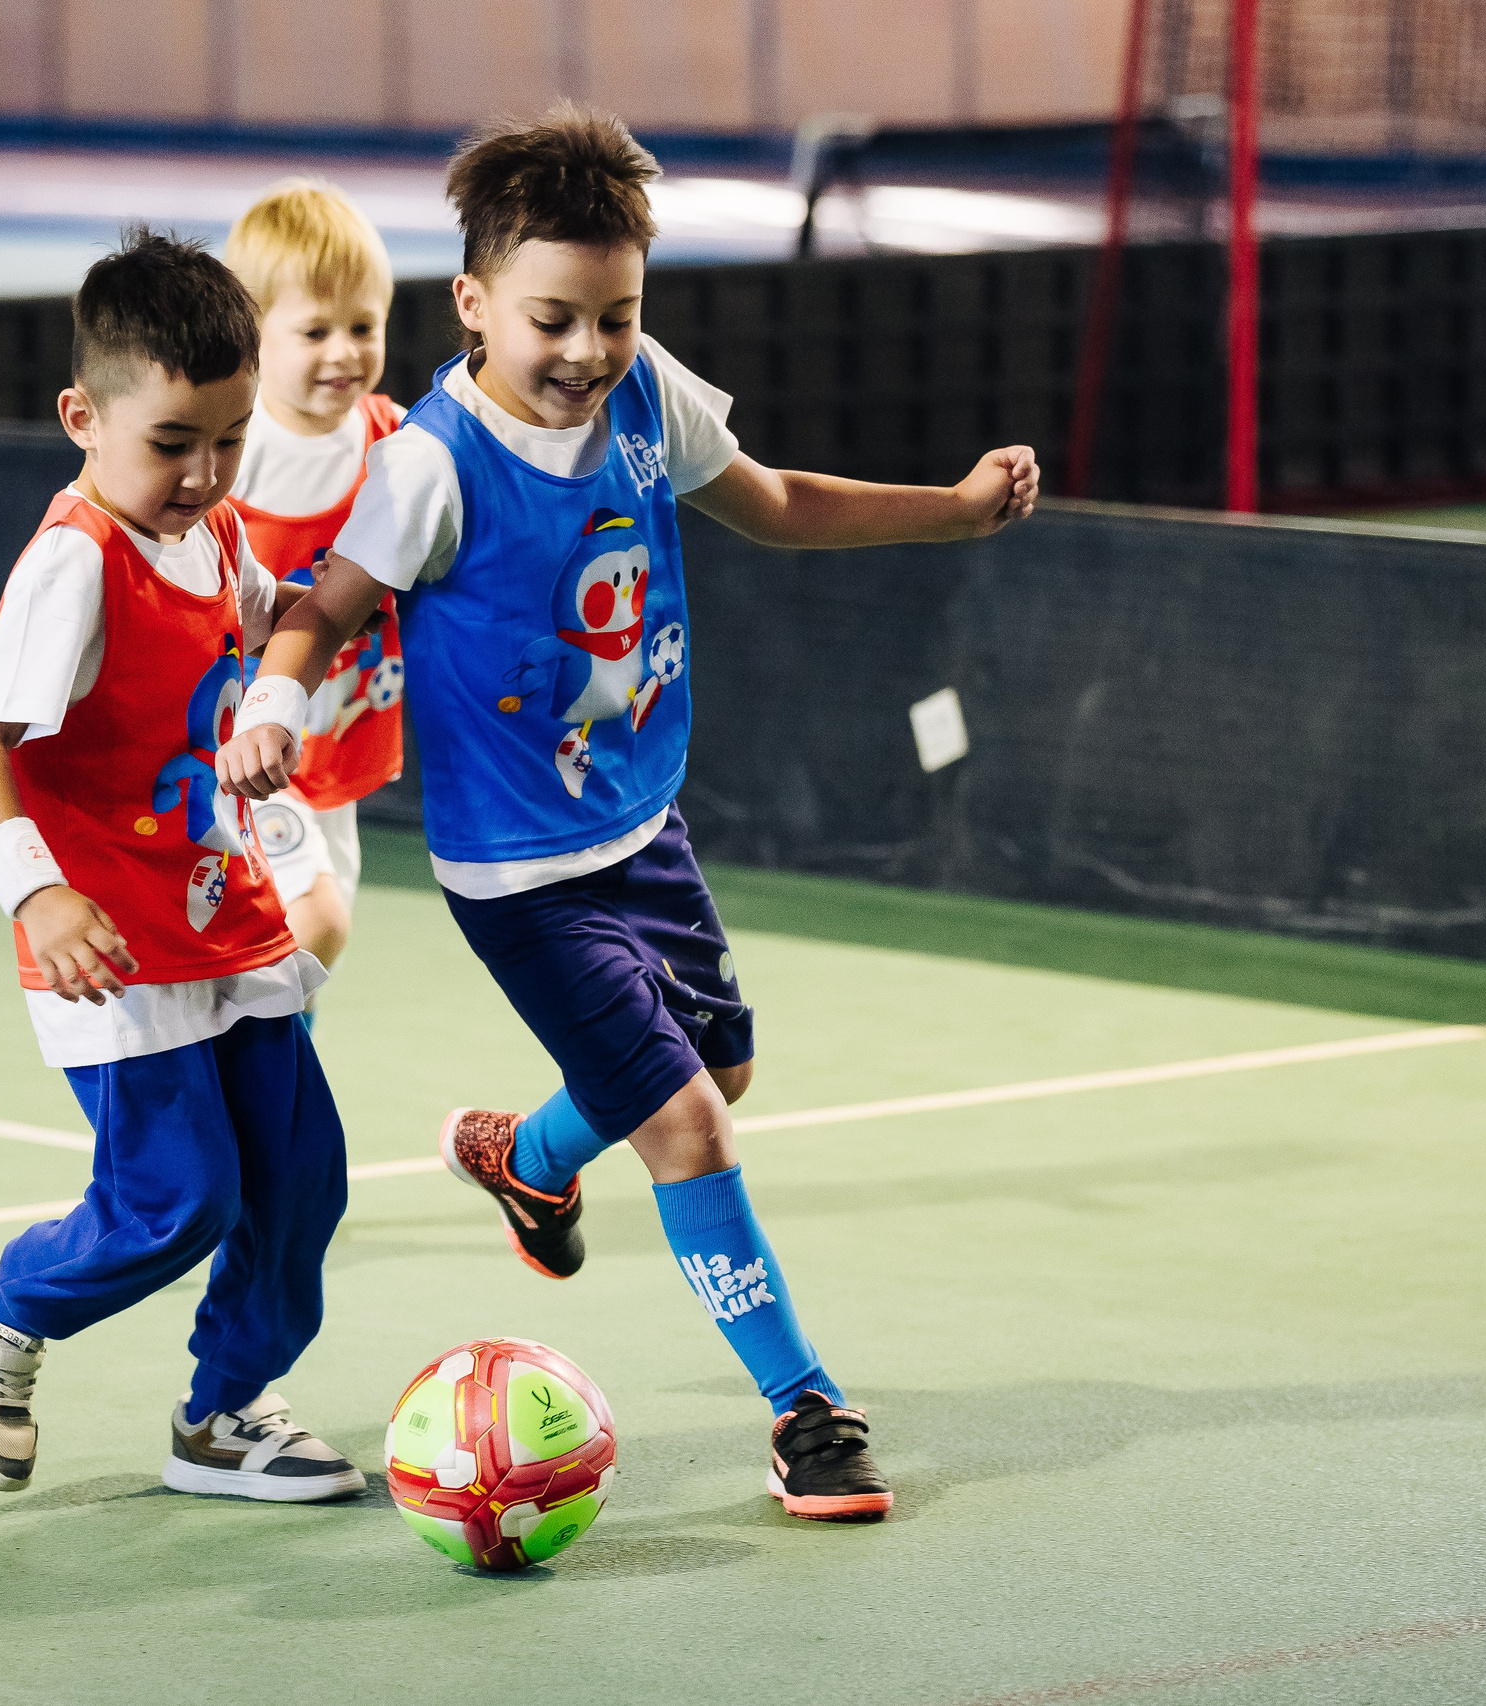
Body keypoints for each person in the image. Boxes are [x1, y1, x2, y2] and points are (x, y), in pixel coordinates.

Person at [217, 107, 1038, 1522]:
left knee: (721, 1073)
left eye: (615, 314)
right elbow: (323, 606)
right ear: (475, 304)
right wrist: (275, 707)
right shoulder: (433, 462)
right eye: (553, 319)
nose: (587, 350)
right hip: (520, 879)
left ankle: (526, 1161)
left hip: (645, 830)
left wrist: (955, 510)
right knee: (690, 1128)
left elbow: (775, 502)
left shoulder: (646, 390)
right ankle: (805, 1410)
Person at [0, 229, 363, 1506]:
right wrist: (36, 890)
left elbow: (274, 616)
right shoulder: (75, 562)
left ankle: (222, 1415)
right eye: (173, 441)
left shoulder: (215, 533)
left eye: (228, 440)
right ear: (82, 416)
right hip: (107, 941)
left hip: (224, 915)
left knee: (300, 1179)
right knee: (178, 1198)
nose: (204, 470)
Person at [221, 179, 407, 1013]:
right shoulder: (234, 451)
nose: (345, 352)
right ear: (255, 337)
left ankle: (262, 1047)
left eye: (362, 327)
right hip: (250, 745)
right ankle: (235, 1051)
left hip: (334, 745)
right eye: (315, 331)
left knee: (313, 946)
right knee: (316, 917)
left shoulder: (394, 440)